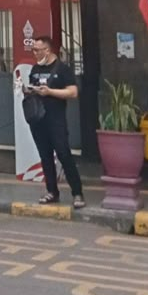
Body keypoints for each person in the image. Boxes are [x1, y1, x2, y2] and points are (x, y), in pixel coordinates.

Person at [25, 35, 85, 208]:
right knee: (45, 156)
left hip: (56, 119)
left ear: (48, 50)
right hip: (38, 120)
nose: (35, 53)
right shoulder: (35, 69)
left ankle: (77, 192)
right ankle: (52, 191)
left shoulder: (63, 69)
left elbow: (73, 92)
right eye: (33, 50)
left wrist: (50, 92)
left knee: (64, 154)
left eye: (37, 50)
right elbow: (34, 88)